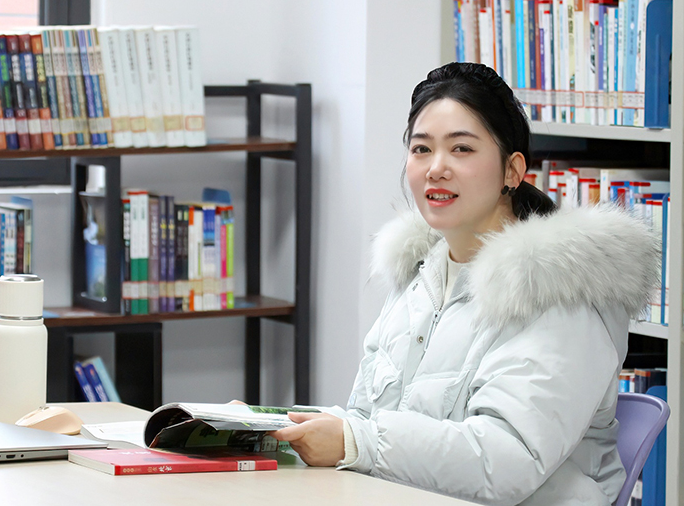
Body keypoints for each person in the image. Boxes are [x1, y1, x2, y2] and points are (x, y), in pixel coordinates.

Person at [271, 62, 658, 505]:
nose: (436, 168)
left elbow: (507, 461)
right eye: (421, 149)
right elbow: (363, 421)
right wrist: (266, 428)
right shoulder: (420, 277)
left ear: (512, 171)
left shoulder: (559, 292)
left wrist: (360, 442)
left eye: (461, 149)